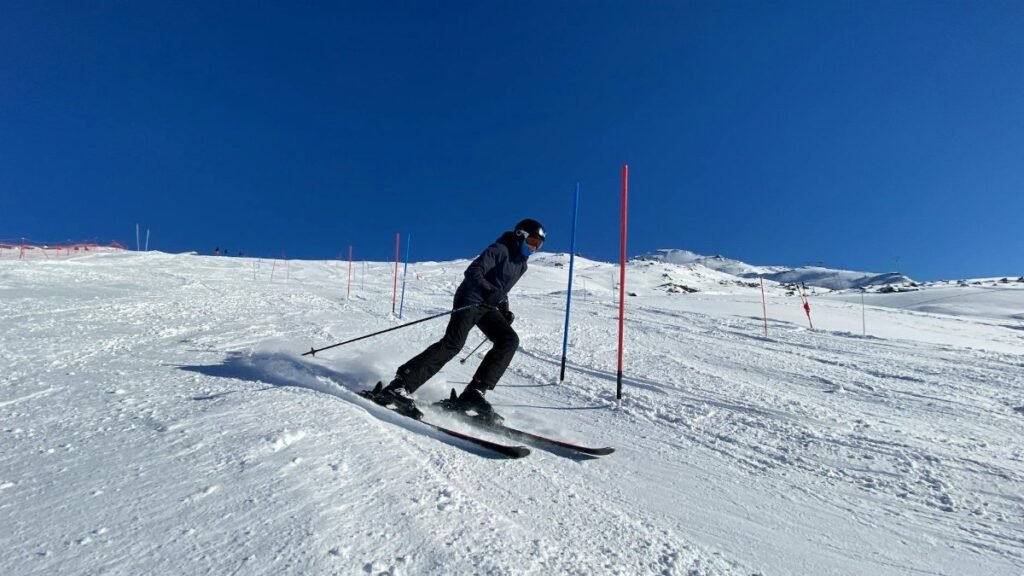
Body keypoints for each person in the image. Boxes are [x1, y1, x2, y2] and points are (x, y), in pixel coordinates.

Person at [377, 218, 546, 423]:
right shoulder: (500, 249)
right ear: (521, 235)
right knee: (453, 344)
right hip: (470, 298)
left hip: (487, 306)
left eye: (539, 245)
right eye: (533, 242)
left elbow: (502, 289)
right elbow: (473, 271)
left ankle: (474, 394)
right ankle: (399, 386)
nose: (534, 248)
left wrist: (505, 309)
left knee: (508, 340)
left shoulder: (522, 265)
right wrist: (488, 291)